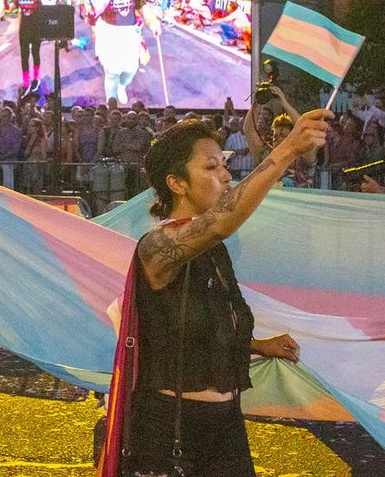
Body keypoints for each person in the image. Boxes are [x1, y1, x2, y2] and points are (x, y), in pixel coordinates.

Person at [122, 109, 330, 475]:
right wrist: (287, 150)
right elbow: (221, 222)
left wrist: (256, 344)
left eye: (224, 165)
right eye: (211, 168)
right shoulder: (155, 248)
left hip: (226, 428)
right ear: (176, 183)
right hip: (169, 432)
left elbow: (189, 325)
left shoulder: (213, 250)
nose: (225, 175)